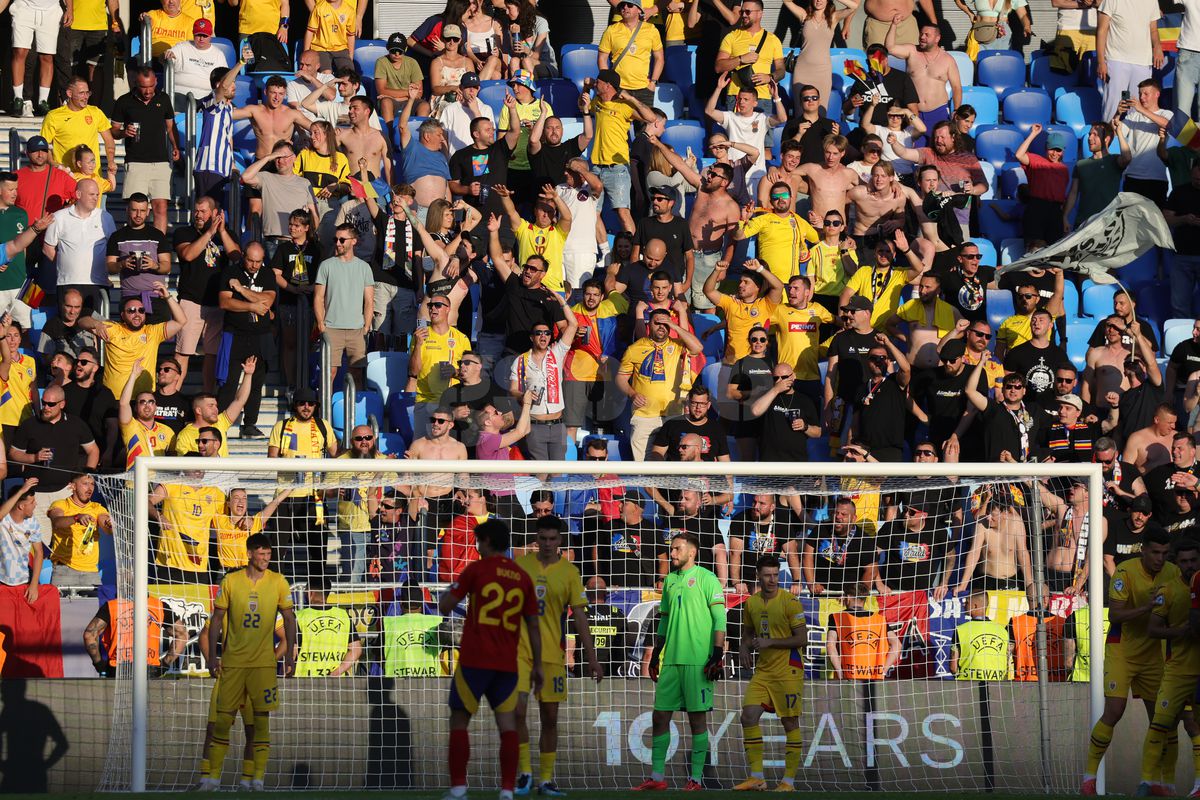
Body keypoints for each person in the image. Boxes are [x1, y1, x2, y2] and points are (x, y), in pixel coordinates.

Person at [440, 519, 541, 800]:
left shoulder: (477, 569)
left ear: (486, 541)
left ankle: (459, 789)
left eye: (478, 541)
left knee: (459, 720)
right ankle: (507, 790)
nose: (476, 546)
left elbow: (446, 605)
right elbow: (533, 625)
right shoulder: (521, 577)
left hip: (474, 660)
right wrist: (538, 665)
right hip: (507, 663)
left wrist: (449, 591)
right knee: (507, 725)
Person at [1080, 528, 1175, 795]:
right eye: (1155, 552)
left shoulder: (1172, 572)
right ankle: (1089, 777)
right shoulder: (1124, 572)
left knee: (1160, 719)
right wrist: (1146, 607)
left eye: (1165, 554)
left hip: (1154, 653)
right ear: (1143, 550)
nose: (1160, 559)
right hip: (1122, 650)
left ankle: (1153, 781)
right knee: (1114, 710)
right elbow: (1115, 616)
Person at [200, 534, 298, 791]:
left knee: (260, 723)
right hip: (232, 664)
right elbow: (214, 622)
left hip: (263, 666)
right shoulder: (231, 582)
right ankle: (211, 778)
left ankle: (255, 780)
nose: (266, 558)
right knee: (221, 721)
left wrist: (289, 655)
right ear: (250, 554)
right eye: (261, 553)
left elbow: (289, 620)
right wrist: (212, 658)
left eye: (269, 554)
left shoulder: (278, 582)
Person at [512, 515, 601, 796]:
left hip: (552, 654)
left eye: (553, 539)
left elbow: (580, 618)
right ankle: (525, 773)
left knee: (549, 718)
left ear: (560, 540)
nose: (548, 544)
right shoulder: (521, 567)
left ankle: (546, 779)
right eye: (543, 538)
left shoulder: (570, 572)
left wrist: (592, 658)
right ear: (536, 539)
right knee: (517, 711)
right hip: (520, 652)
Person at [635, 531, 727, 792]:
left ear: (692, 552)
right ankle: (657, 777)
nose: (672, 553)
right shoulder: (670, 581)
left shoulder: (707, 578)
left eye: (677, 549)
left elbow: (720, 618)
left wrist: (717, 653)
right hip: (671, 661)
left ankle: (695, 779)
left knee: (697, 721)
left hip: (698, 662)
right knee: (659, 716)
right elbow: (664, 619)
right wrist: (657, 653)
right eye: (672, 549)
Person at [732, 554, 806, 792]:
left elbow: (802, 639)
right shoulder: (752, 603)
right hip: (763, 671)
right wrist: (743, 648)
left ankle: (788, 782)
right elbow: (748, 632)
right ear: (758, 576)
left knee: (789, 721)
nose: (773, 580)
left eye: (776, 574)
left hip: (788, 670)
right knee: (748, 716)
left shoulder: (790, 602)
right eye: (767, 575)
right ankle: (757, 777)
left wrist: (770, 642)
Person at [1138, 539, 1200, 796]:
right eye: (1184, 561)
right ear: (1177, 563)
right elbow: (1152, 629)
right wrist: (1179, 631)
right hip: (1177, 670)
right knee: (1160, 723)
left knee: (1195, 727)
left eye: (1193, 560)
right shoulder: (1169, 590)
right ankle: (1146, 782)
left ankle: (1198, 785)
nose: (1189, 565)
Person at [8, 384, 98, 536]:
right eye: (44, 403)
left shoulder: (76, 424)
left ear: (62, 404)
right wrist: (34, 457)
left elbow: (93, 450)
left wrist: (84, 479)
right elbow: (14, 453)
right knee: (40, 542)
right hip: (37, 494)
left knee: (67, 539)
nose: (46, 407)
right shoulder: (29, 425)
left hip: (66, 493)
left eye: (51, 404)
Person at [616, 308, 703, 461]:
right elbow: (621, 378)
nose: (662, 326)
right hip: (644, 415)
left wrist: (674, 325)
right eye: (657, 323)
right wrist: (632, 394)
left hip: (674, 414)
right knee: (643, 465)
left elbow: (698, 347)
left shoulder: (678, 345)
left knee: (674, 463)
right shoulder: (634, 349)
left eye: (665, 324)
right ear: (649, 324)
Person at [174, 197, 240, 390]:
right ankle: (172, 392)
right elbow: (188, 255)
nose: (198, 215)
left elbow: (237, 256)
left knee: (212, 354)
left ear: (214, 213)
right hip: (191, 300)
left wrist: (222, 232)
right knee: (182, 352)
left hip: (218, 303)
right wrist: (210, 233)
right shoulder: (184, 232)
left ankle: (208, 396)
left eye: (203, 211)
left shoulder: (227, 234)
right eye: (196, 211)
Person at [79, 287, 187, 400]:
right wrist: (96, 324)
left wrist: (168, 297)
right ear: (123, 315)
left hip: (143, 401)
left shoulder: (153, 332)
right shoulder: (113, 329)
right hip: (114, 398)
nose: (137, 314)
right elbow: (82, 321)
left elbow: (181, 321)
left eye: (141, 310)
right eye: (131, 310)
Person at [509, 296, 579, 464]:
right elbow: (512, 389)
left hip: (558, 425)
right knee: (540, 473)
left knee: (557, 474)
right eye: (538, 333)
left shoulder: (557, 353)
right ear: (531, 337)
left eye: (547, 333)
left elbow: (573, 325)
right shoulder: (521, 360)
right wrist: (522, 396)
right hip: (535, 425)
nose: (543, 336)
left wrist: (561, 301)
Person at [111, 67, 181, 233]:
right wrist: (124, 132)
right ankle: (132, 243)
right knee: (135, 209)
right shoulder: (124, 101)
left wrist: (175, 146)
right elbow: (113, 131)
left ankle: (160, 245)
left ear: (156, 82)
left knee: (161, 207)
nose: (148, 91)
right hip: (136, 162)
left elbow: (170, 127)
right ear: (136, 83)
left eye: (151, 86)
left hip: (161, 162)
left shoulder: (163, 99)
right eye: (143, 87)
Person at [586, 68, 657, 233]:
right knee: (592, 213)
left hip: (617, 168)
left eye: (598, 82)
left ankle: (633, 245)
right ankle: (603, 246)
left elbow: (651, 118)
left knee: (623, 213)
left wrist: (631, 98)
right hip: (596, 166)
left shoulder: (624, 105)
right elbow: (582, 106)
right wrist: (585, 88)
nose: (595, 84)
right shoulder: (597, 102)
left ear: (608, 85)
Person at [314, 224, 374, 387]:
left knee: (357, 375)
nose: (338, 243)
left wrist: (366, 327)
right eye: (335, 239)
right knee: (329, 373)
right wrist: (321, 324)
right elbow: (318, 297)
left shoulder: (364, 267)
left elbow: (369, 301)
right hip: (331, 328)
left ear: (354, 241)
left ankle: (356, 405)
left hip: (357, 329)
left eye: (342, 240)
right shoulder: (326, 265)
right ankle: (324, 404)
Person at [42, 179, 116, 311]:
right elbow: (47, 248)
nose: (95, 198)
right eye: (91, 194)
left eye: (97, 195)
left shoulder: (105, 217)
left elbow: (113, 248)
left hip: (97, 283)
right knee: (67, 323)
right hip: (67, 283)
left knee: (96, 323)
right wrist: (64, 265)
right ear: (78, 194)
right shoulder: (59, 217)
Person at [885, 20, 961, 135]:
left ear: (937, 38)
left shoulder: (948, 59)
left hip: (938, 112)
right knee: (913, 145)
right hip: (914, 112)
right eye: (921, 34)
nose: (922, 37)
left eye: (927, 35)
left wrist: (956, 110)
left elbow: (956, 87)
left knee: (938, 144)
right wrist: (894, 25)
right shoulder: (912, 51)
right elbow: (890, 48)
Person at [240, 143, 320, 252]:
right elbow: (245, 177)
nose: (280, 161)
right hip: (273, 243)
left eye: (284, 157)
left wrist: (311, 238)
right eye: (277, 157)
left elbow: (315, 215)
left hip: (298, 243)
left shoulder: (305, 183)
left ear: (294, 158)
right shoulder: (266, 177)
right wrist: (268, 157)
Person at [171, 360, 257, 457]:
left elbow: (239, 401)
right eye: (210, 406)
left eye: (216, 405)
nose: (216, 409)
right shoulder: (185, 435)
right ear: (198, 410)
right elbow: (183, 463)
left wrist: (248, 375)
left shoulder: (220, 422)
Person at [1097, 0, 1164, 122]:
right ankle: (1107, 132)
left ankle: (1132, 134)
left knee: (1138, 105)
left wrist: (1158, 47)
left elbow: (1153, 29)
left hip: (1143, 62)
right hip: (1116, 60)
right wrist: (1101, 62)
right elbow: (1102, 30)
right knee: (1114, 103)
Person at [105, 193, 172, 311]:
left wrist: (154, 265)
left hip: (156, 296)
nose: (138, 215)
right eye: (134, 210)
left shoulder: (157, 235)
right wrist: (122, 264)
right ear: (127, 210)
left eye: (142, 211)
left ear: (148, 211)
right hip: (129, 297)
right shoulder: (117, 236)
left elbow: (167, 266)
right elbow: (110, 267)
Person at [40, 77, 117, 177]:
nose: (85, 97)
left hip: (91, 177)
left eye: (87, 93)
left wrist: (111, 161)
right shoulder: (53, 116)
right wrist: (53, 163)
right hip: (66, 175)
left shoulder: (95, 112)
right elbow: (44, 145)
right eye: (81, 93)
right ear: (69, 93)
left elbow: (109, 140)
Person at [46, 472, 111, 588]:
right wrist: (76, 518)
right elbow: (57, 522)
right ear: (73, 486)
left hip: (91, 571)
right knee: (61, 601)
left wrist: (109, 524)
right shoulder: (61, 504)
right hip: (64, 569)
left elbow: (107, 528)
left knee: (95, 601)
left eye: (92, 484)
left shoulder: (97, 507)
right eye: (85, 483)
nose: (90, 488)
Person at [826, 581, 902, 679]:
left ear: (848, 597)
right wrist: (883, 671)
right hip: (874, 679)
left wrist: (839, 672)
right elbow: (897, 645)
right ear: (864, 599)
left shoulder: (836, 617)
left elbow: (830, 645)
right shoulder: (879, 619)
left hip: (847, 678)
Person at [1065, 120, 1130, 231]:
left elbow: (1127, 158)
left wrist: (1119, 132)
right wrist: (1065, 216)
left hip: (1107, 225)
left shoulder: (1115, 160)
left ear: (1106, 139)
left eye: (1095, 134)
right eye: (1090, 134)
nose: (1090, 138)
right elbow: (1073, 193)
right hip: (1083, 224)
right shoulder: (1080, 164)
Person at [598, 0, 664, 109]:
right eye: (622, 5)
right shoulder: (611, 30)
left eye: (629, 5)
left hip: (644, 88)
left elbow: (659, 58)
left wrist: (653, 83)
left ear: (639, 10)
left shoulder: (651, 29)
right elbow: (602, 58)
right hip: (618, 88)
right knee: (617, 120)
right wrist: (608, 82)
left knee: (646, 120)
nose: (625, 7)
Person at [1118, 78, 1173, 205]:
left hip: (1157, 179)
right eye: (1140, 94)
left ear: (1157, 94)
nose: (1141, 97)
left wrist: (1141, 109)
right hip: (1132, 177)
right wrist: (1117, 113)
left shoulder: (1166, 113)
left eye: (1146, 94)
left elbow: (1167, 124)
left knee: (1155, 217)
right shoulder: (1132, 116)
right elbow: (1116, 131)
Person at [118, 364, 175, 469]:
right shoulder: (130, 427)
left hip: (159, 478)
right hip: (136, 478)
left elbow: (173, 462)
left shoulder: (168, 431)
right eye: (142, 402)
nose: (147, 405)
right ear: (135, 408)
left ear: (156, 406)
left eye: (151, 402)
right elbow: (123, 403)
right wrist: (133, 375)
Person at [0, 479, 43, 605]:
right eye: (32, 502)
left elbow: (39, 553)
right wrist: (21, 491)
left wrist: (34, 585)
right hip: (2, 579)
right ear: (21, 506)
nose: (36, 504)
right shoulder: (4, 519)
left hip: (24, 580)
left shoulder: (33, 523)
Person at [951, 592, 1009, 681]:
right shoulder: (1002, 631)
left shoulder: (961, 630)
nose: (964, 605)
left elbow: (953, 667)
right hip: (997, 684)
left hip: (967, 684)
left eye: (967, 602)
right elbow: (1007, 662)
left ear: (975, 606)